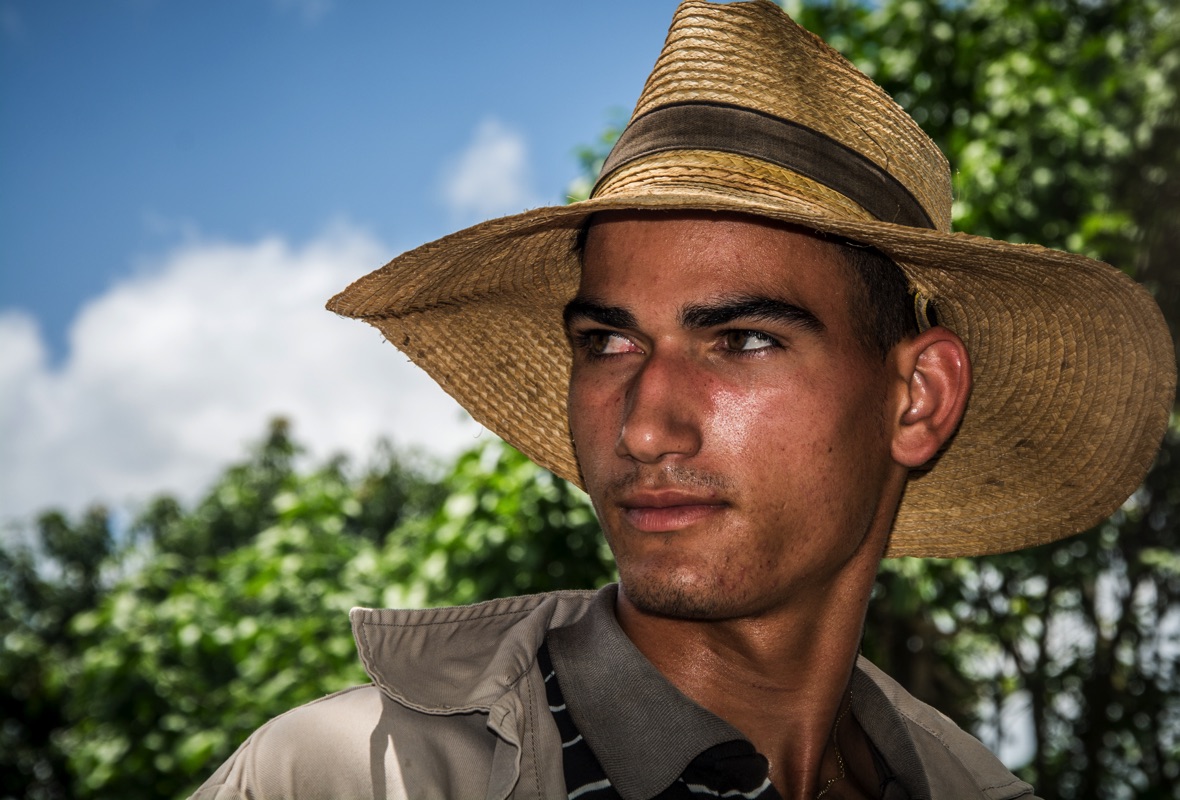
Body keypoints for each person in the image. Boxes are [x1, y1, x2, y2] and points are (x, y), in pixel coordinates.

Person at [191, 1, 1175, 798]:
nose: (644, 422)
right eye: (607, 342)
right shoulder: (349, 777)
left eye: (743, 340)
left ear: (917, 396)